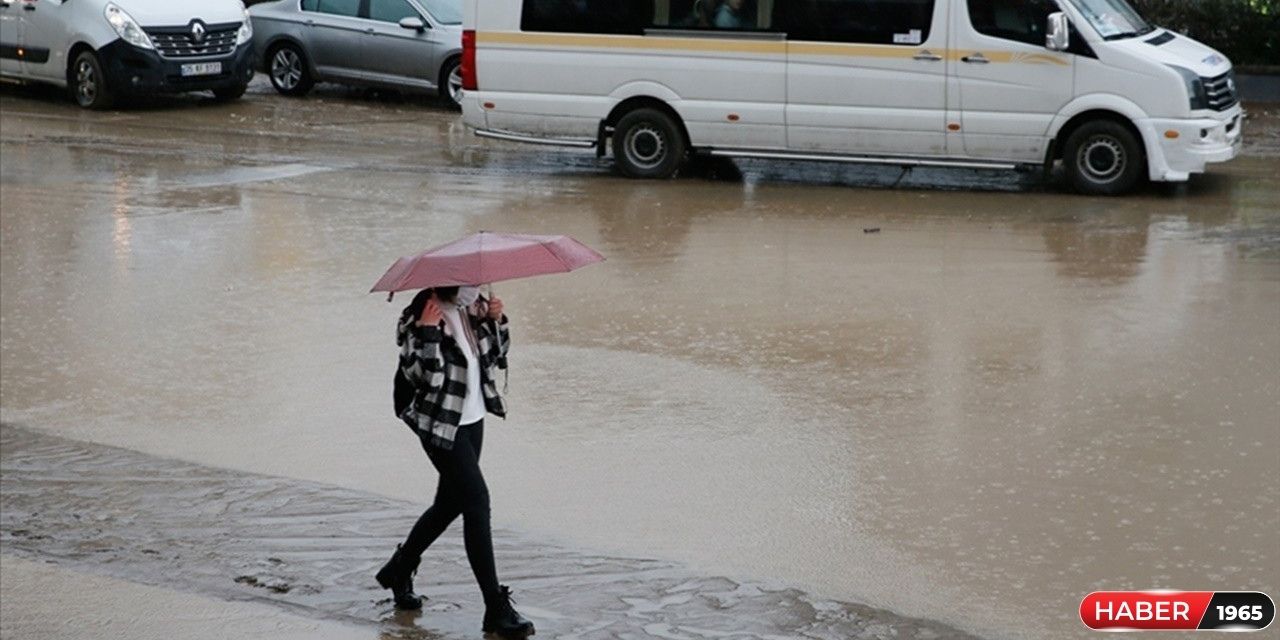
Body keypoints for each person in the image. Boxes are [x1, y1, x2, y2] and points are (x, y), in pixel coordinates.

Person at [377, 285, 534, 639]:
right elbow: (426, 379)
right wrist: (429, 331)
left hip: (472, 418)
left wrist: (496, 321)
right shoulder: (420, 315)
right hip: (439, 422)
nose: (474, 289)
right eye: (468, 284)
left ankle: (399, 569)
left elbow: (496, 357)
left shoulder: (473, 308)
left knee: (450, 503)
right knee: (477, 502)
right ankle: (495, 608)